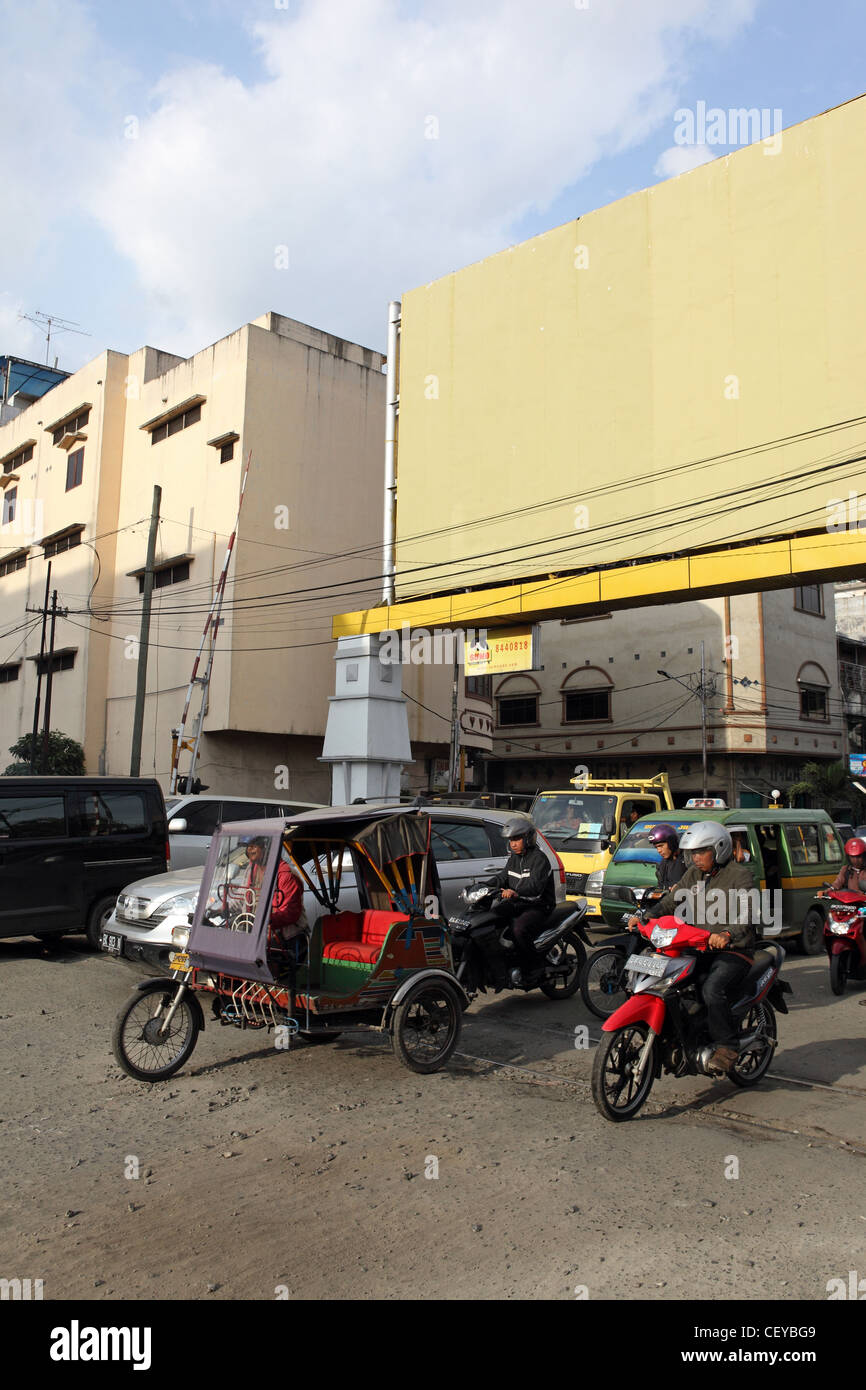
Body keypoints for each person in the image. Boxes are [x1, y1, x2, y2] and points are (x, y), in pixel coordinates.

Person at [629, 820, 756, 1075]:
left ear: (719, 848)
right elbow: (670, 902)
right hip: (697, 946)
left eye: (701, 852)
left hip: (733, 950)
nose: (695, 858)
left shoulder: (740, 875)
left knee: (712, 989)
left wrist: (727, 933)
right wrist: (646, 916)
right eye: (692, 853)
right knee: (666, 980)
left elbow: (749, 912)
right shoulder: (694, 875)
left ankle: (727, 1046)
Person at [490, 816, 554, 985]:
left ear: (527, 838)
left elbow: (535, 887)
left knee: (519, 929)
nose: (513, 843)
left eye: (517, 839)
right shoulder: (514, 859)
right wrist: (483, 886)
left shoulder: (539, 859)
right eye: (511, 839)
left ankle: (534, 966)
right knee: (492, 918)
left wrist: (515, 892)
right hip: (520, 904)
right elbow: (501, 878)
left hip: (539, 905)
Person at [645, 823, 687, 899]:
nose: (659, 850)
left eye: (661, 846)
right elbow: (661, 888)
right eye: (656, 847)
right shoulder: (664, 863)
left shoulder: (688, 860)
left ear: (671, 842)